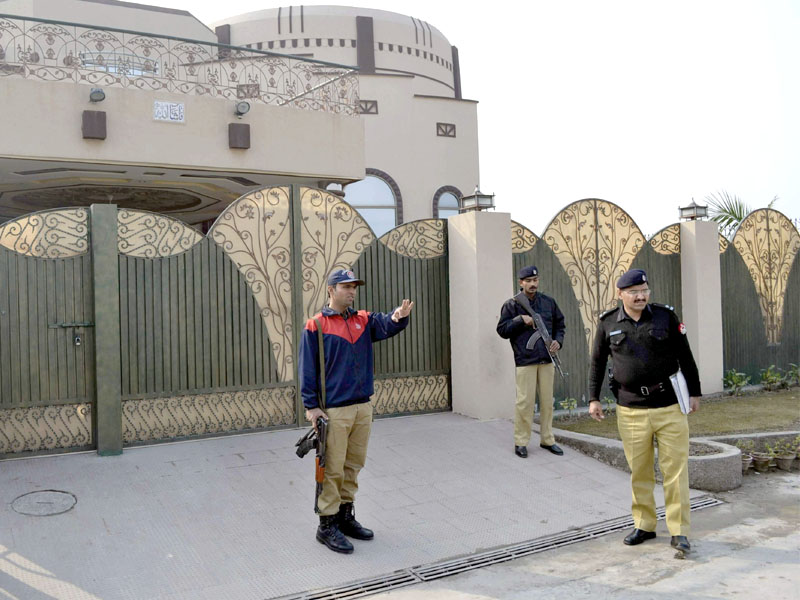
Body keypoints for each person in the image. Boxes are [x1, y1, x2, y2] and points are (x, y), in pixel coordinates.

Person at [299, 268, 414, 554]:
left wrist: (399, 315)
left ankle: (345, 517)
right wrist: (312, 408)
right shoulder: (316, 326)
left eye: (354, 287)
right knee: (332, 468)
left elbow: (387, 324)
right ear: (331, 290)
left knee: (353, 465)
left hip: (362, 407)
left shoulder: (363, 319)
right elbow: (307, 369)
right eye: (345, 287)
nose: (351, 291)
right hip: (334, 412)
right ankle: (326, 525)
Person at [588, 268, 700, 555]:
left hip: (670, 406)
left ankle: (679, 530)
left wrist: (695, 392)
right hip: (630, 409)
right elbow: (598, 363)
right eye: (634, 292)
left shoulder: (665, 317)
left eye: (644, 290)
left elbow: (684, 354)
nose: (640, 296)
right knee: (639, 472)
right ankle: (645, 525)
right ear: (620, 294)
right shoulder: (608, 323)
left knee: (675, 472)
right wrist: (593, 398)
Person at [497, 265, 566, 458]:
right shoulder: (512, 305)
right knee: (524, 403)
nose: (533, 284)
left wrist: (558, 342)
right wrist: (521, 320)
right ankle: (521, 441)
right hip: (525, 360)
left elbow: (560, 324)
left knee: (547, 402)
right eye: (528, 281)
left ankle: (547, 439)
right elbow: (502, 330)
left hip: (546, 359)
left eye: (535, 280)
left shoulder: (548, 302)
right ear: (521, 283)